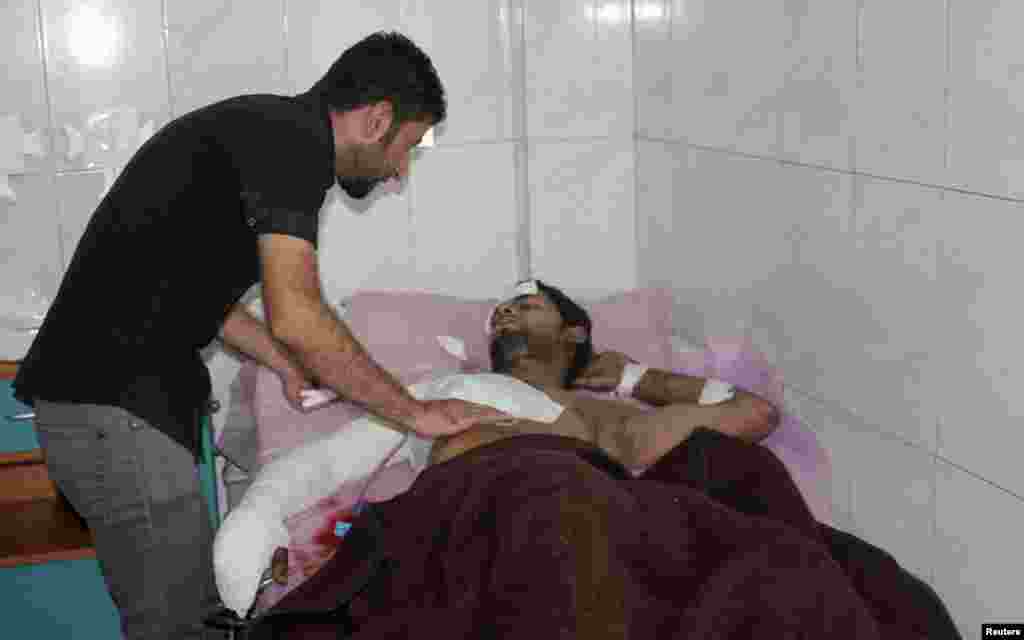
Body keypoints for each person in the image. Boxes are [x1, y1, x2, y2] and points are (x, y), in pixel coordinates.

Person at [12, 32, 502, 640]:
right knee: (180, 630)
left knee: (187, 620)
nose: (400, 174)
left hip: (101, 408)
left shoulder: (262, 130)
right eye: (406, 149)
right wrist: (414, 413)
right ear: (377, 119)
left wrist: (283, 362)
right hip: (114, 413)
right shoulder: (292, 144)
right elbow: (298, 312)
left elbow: (195, 293)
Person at [428, 279, 781, 468]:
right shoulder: (456, 391)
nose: (504, 312)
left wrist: (633, 378)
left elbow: (754, 413)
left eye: (525, 306)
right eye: (500, 313)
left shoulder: (611, 416)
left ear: (574, 333)